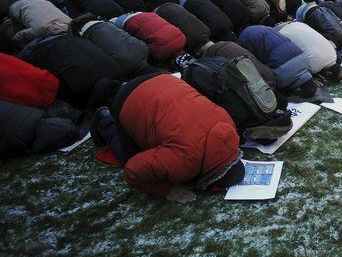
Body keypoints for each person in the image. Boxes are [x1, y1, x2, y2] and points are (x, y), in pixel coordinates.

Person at [90, 73, 244, 202]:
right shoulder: (183, 162)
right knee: (127, 158)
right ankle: (104, 120)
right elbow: (133, 171)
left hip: (164, 79)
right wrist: (166, 190)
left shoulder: (228, 124)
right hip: (129, 98)